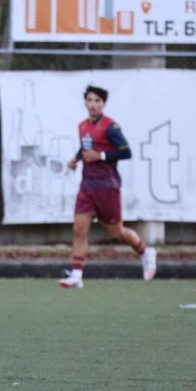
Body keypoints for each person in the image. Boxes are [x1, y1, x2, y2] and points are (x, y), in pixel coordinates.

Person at [59, 85, 156, 288]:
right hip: (87, 187)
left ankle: (145, 251)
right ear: (85, 102)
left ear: (103, 104)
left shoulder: (111, 127)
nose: (93, 104)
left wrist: (101, 156)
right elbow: (85, 147)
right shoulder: (82, 126)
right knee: (79, 229)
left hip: (107, 187)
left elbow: (126, 152)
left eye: (98, 101)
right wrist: (76, 159)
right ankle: (76, 275)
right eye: (90, 100)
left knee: (117, 232)